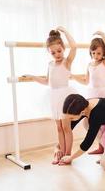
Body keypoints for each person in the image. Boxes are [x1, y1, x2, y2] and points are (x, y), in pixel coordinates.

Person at [24, 26, 77, 164]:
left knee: (66, 127)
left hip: (65, 96)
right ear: (49, 52)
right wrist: (33, 77)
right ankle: (61, 154)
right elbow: (47, 81)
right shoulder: (50, 64)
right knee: (59, 128)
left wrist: (65, 31)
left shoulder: (67, 62)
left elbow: (74, 47)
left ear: (63, 48)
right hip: (53, 97)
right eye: (53, 53)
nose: (57, 54)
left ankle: (68, 155)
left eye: (59, 51)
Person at [71, 31, 105, 155]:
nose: (95, 55)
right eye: (93, 53)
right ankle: (101, 146)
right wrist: (73, 76)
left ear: (104, 53)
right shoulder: (89, 64)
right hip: (93, 95)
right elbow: (86, 81)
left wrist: (102, 34)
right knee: (90, 122)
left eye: (99, 53)